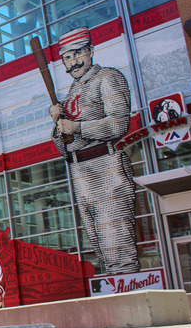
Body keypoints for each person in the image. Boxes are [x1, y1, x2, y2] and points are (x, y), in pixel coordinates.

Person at [49, 27, 141, 275]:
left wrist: (77, 126)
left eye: (77, 54)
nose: (73, 62)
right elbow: (64, 148)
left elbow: (118, 124)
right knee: (99, 242)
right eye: (67, 58)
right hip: (81, 170)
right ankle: (119, 288)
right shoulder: (73, 92)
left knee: (116, 242)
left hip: (106, 164)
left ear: (90, 51)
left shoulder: (108, 78)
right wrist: (58, 124)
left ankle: (129, 289)